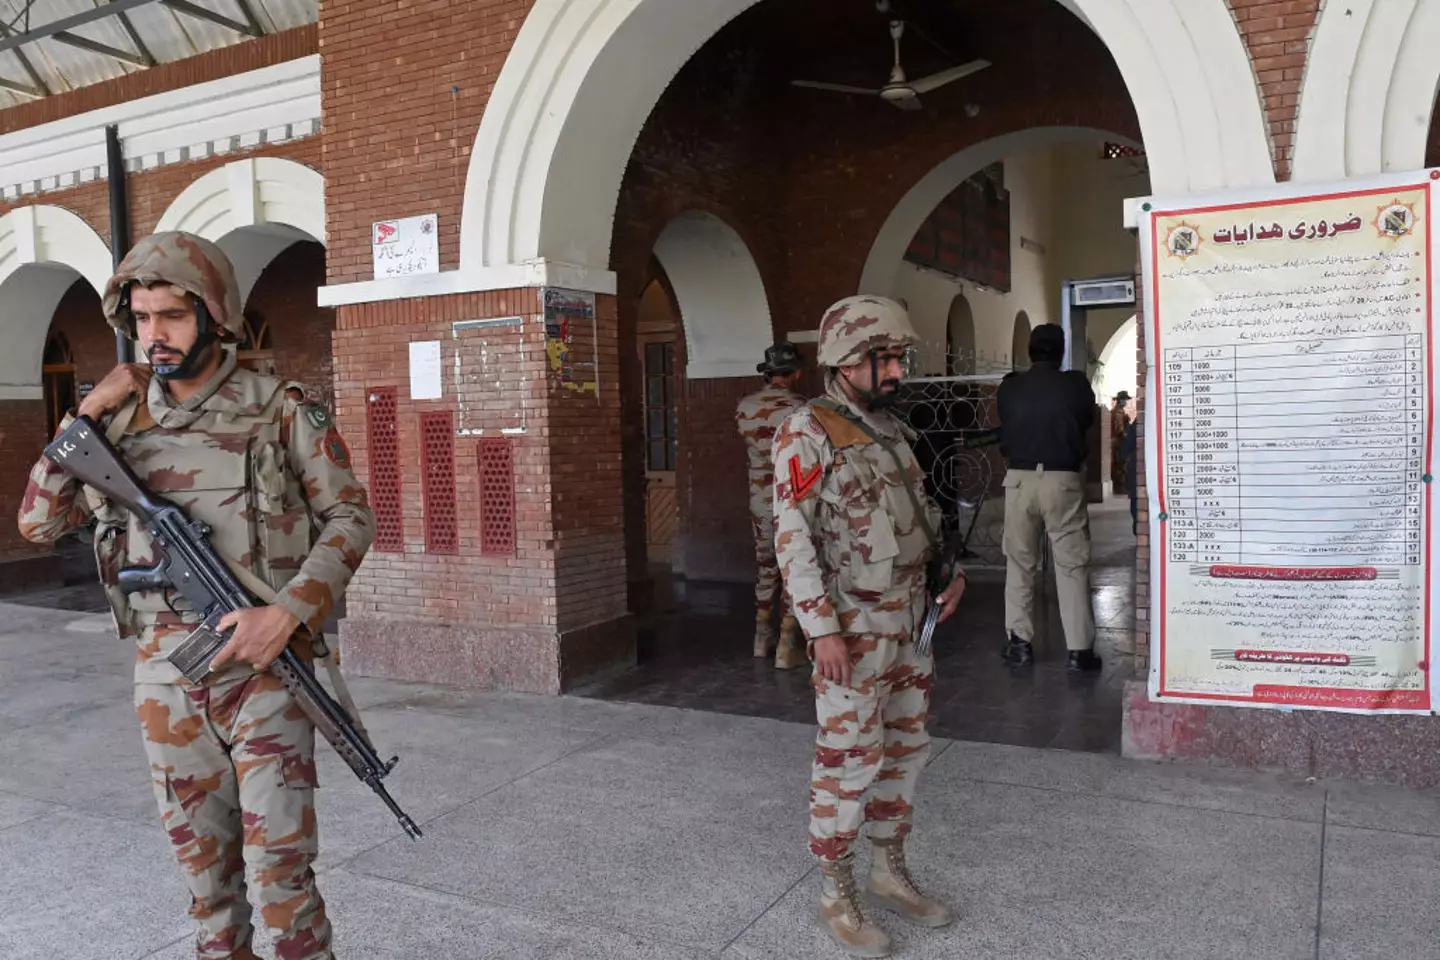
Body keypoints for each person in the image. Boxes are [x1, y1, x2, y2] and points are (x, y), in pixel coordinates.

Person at [17, 231, 376, 960]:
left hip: (267, 674)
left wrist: (289, 611)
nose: (155, 335)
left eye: (172, 316)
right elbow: (38, 521)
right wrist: (82, 417)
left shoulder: (277, 408)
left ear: (214, 316)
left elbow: (350, 516)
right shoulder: (113, 423)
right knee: (207, 884)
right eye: (142, 319)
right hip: (167, 678)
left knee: (282, 876)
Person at [772, 295, 966, 957]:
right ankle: (837, 893)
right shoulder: (809, 431)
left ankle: (888, 870)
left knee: (906, 751)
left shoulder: (890, 429)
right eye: (881, 359)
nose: (894, 371)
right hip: (852, 632)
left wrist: (949, 575)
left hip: (910, 623)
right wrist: (818, 628)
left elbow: (922, 520)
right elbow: (792, 536)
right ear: (844, 362)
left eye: (896, 357)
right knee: (849, 761)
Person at [995, 322, 1101, 671]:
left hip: (1020, 481)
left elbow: (1005, 423)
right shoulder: (1076, 386)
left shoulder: (1010, 388)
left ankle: (1020, 644)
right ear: (1061, 352)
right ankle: (1079, 650)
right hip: (1063, 481)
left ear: (1029, 350)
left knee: (1020, 563)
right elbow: (1087, 419)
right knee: (1071, 565)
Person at [735, 342, 809, 668]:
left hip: (760, 500)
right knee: (794, 568)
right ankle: (786, 645)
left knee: (766, 567)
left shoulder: (744, 407)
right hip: (794, 500)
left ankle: (760, 637)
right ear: (796, 373)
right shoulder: (804, 410)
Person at [1109, 390, 1131, 495]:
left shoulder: (1119, 412)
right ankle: (1119, 488)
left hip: (1117, 442)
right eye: (1125, 400)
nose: (1126, 402)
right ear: (1120, 400)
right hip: (1118, 442)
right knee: (1120, 464)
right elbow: (1120, 430)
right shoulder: (1117, 413)